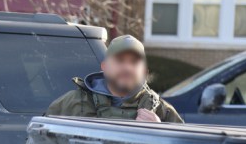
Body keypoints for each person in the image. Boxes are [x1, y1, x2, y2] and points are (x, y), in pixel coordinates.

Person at [47, 35, 183, 122]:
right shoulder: (72, 103)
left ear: (144, 72)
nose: (127, 68)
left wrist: (160, 132)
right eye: (120, 60)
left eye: (134, 62)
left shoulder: (161, 111)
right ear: (104, 67)